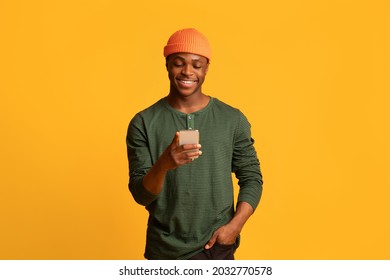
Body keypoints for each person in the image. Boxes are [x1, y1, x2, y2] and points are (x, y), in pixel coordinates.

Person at [126, 28, 263, 260]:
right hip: (164, 251)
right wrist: (164, 164)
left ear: (207, 68)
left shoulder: (232, 119)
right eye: (178, 63)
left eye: (197, 65)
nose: (187, 71)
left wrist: (234, 227)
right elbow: (141, 195)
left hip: (215, 248)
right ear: (167, 65)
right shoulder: (143, 122)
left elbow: (252, 177)